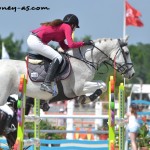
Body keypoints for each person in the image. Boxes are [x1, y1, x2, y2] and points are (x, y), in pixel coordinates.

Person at [27, 14, 92, 93]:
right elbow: (71, 44)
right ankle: (46, 83)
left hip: (34, 39)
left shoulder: (62, 27)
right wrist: (83, 43)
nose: (74, 30)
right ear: (72, 25)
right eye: (75, 27)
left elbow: (64, 46)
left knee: (57, 56)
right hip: (36, 41)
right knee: (58, 58)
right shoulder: (67, 27)